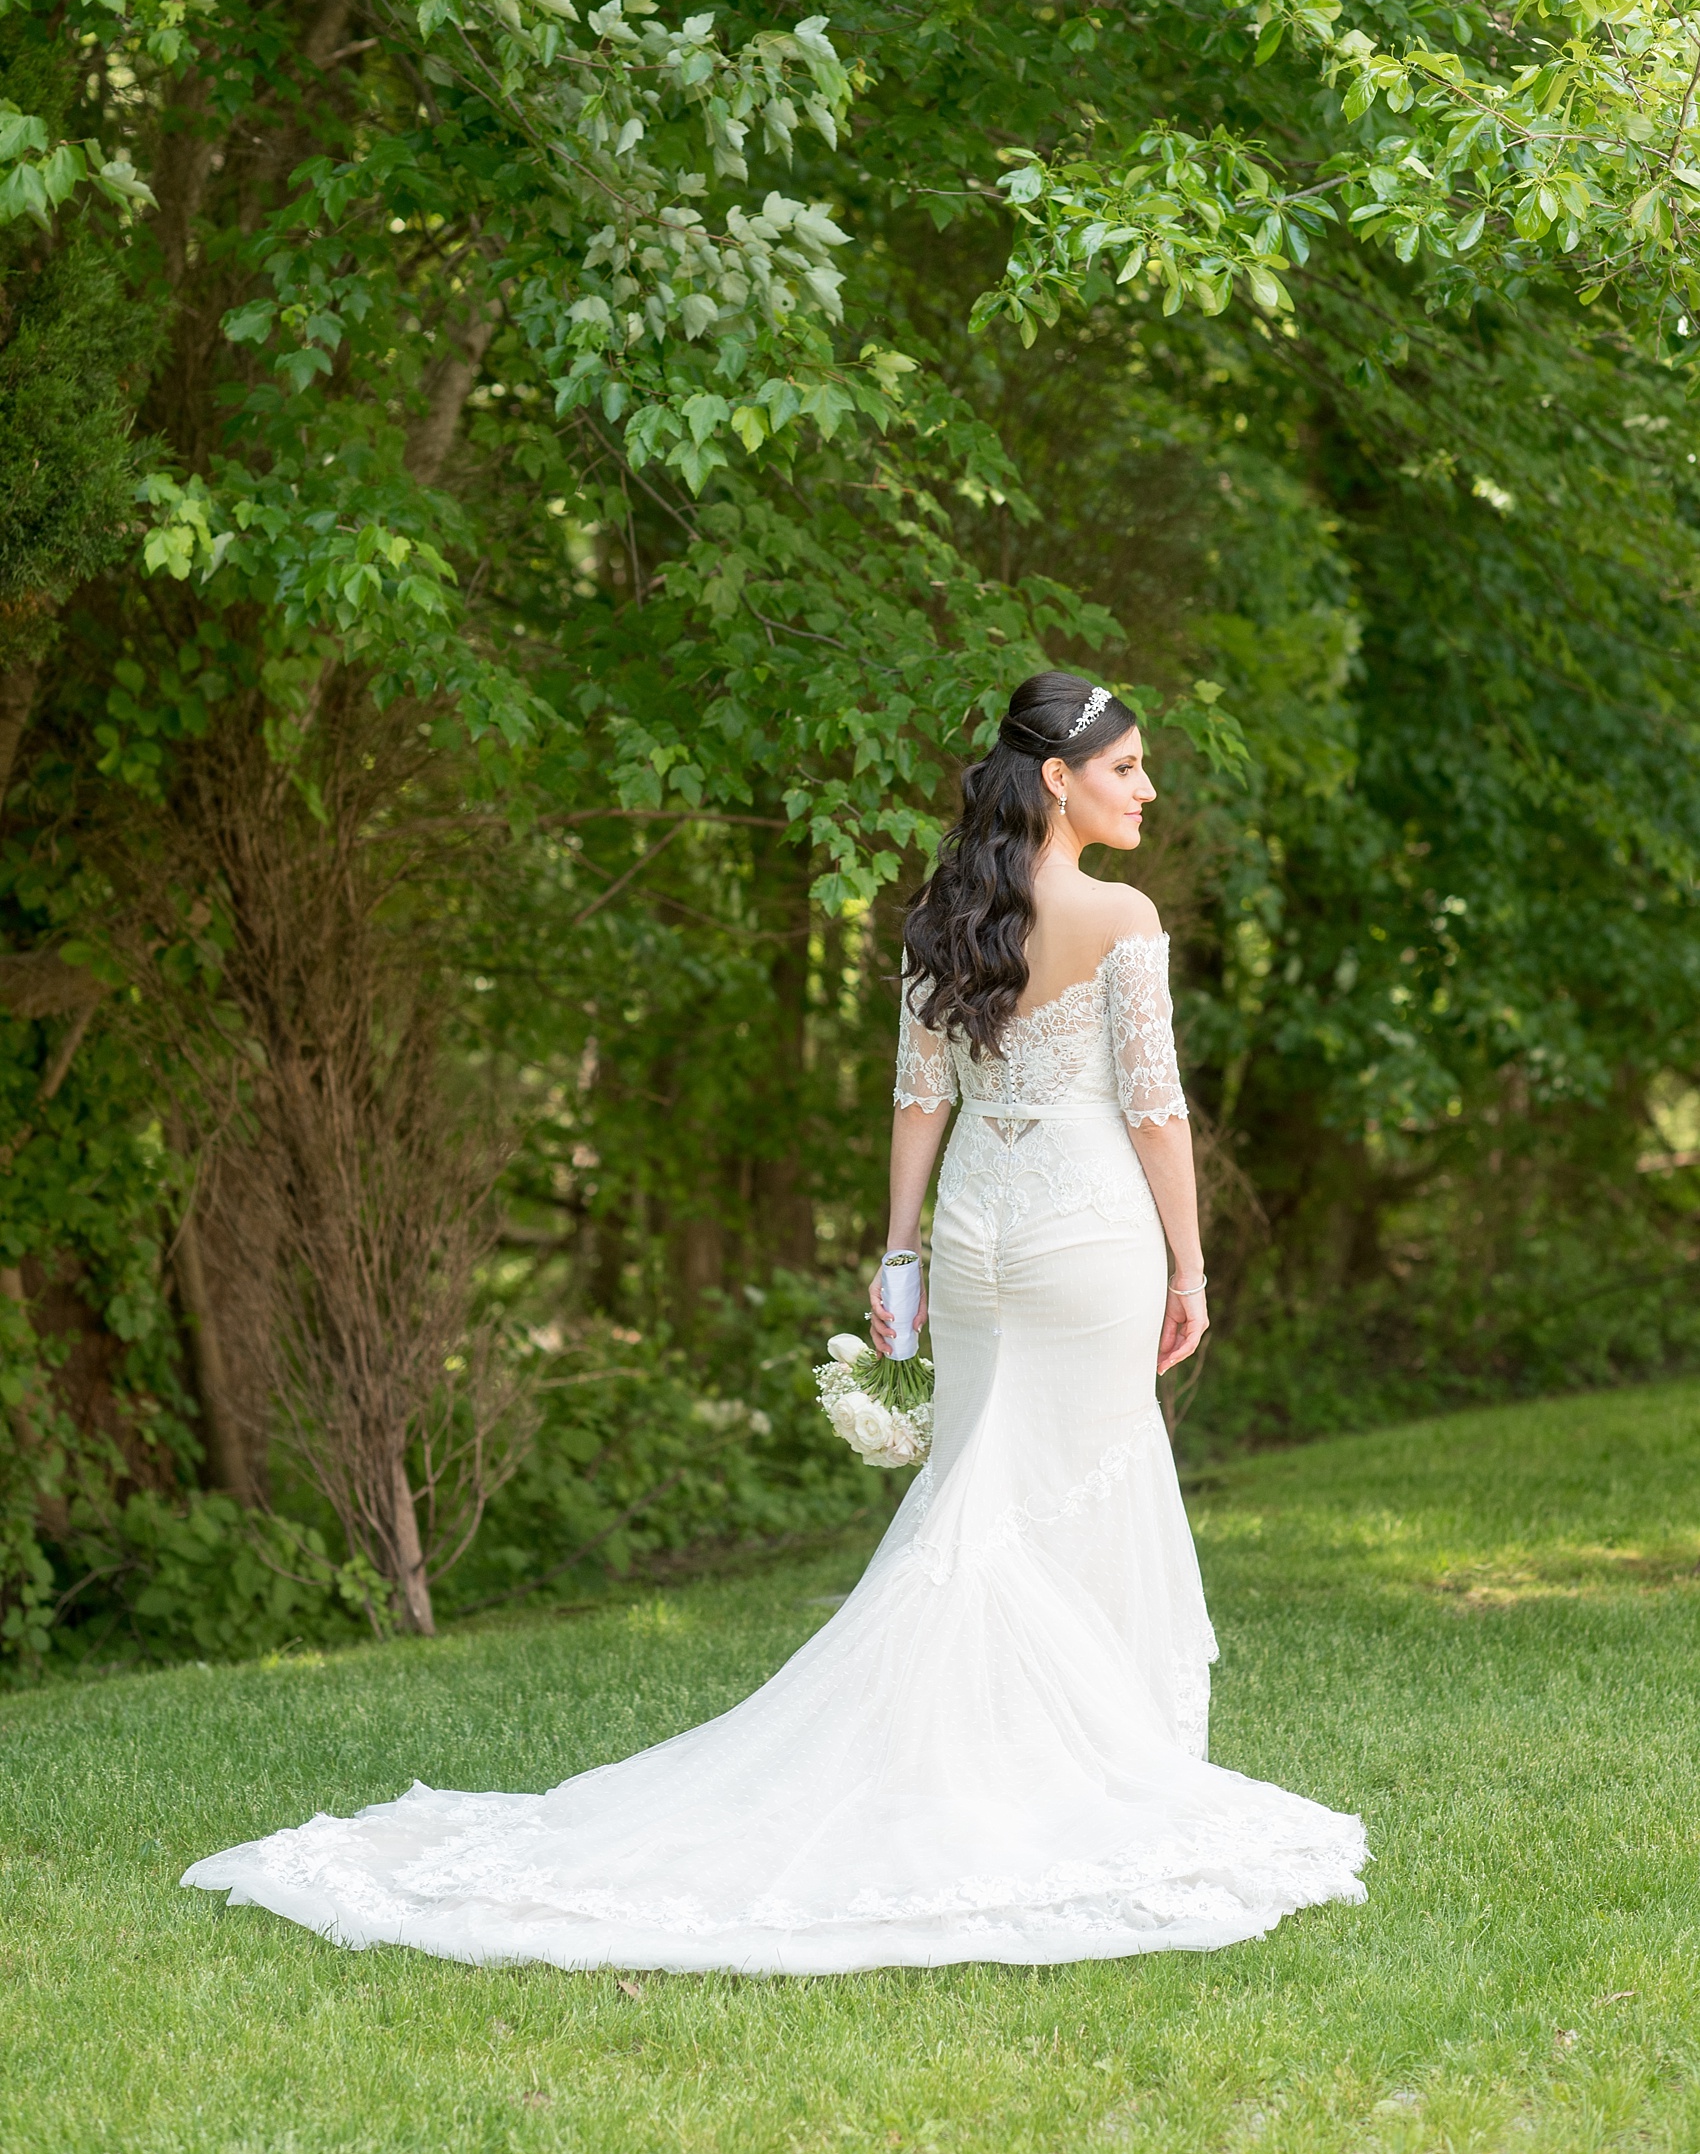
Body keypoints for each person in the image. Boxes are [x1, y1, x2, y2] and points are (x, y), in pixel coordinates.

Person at [182, 672, 1367, 1971]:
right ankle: (1078, 1768)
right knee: (1075, 1481)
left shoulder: (945, 915)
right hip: (1087, 1229)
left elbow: (920, 1095)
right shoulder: (1121, 916)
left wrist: (901, 1246)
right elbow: (1156, 1106)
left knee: (981, 1484)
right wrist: (1192, 1263)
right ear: (1059, 777)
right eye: (1128, 767)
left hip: (975, 1232)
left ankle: (979, 1761)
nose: (1146, 789)